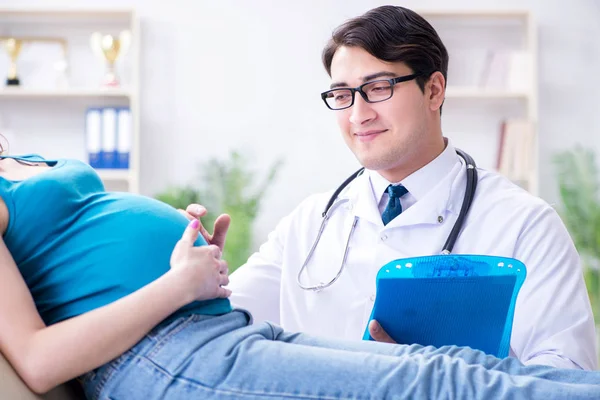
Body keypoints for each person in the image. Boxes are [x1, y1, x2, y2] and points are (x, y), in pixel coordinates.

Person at [185, 5, 598, 370]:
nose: (358, 114)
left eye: (378, 88)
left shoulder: (524, 223)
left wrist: (445, 375)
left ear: (433, 90)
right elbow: (218, 329)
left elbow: (567, 375)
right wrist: (201, 284)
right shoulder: (310, 224)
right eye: (342, 95)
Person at [1, 155, 600, 399]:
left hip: (214, 326)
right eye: (343, 92)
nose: (360, 109)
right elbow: (35, 358)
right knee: (433, 388)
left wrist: (198, 277)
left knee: (449, 368)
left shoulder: (17, 154)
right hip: (160, 354)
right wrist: (175, 285)